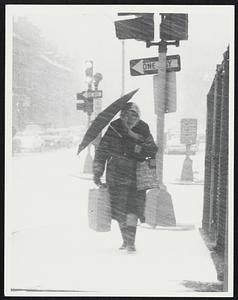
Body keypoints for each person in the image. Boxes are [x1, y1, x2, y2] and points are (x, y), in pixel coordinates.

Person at [93, 102, 158, 253]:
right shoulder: (115, 127)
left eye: (133, 115)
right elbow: (103, 150)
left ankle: (130, 242)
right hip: (117, 174)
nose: (130, 118)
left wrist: (137, 142)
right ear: (121, 115)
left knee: (130, 208)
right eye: (126, 115)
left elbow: (152, 149)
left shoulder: (141, 128)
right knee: (121, 209)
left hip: (134, 174)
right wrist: (97, 171)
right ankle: (127, 241)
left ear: (137, 115)